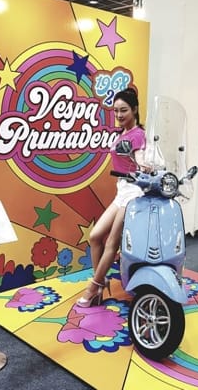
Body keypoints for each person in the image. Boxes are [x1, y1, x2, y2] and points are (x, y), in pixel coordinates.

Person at [76, 87, 151, 308]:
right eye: (116, 111)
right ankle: (101, 282)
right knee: (95, 236)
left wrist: (143, 164)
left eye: (124, 110)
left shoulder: (137, 134)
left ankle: (93, 288)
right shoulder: (123, 134)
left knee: (111, 242)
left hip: (134, 193)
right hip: (122, 191)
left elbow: (139, 155)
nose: (119, 115)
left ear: (135, 109)